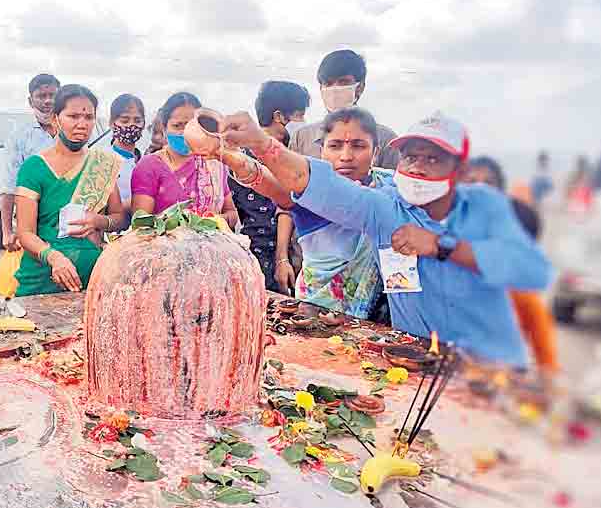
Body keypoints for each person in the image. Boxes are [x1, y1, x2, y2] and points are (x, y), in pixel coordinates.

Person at [222, 110, 552, 366]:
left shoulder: (484, 204)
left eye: (433, 158)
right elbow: (310, 182)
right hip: (415, 359)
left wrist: (441, 245)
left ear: (460, 170)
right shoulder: (385, 207)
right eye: (411, 157)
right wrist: (259, 143)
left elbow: (531, 271)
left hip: (485, 365)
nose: (418, 168)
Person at [279, 50, 399, 292]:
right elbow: (286, 201)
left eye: (343, 82)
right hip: (309, 255)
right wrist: (282, 257)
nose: (345, 155)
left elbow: (395, 204)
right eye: (328, 84)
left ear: (360, 87)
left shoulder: (386, 139)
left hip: (368, 271)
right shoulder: (302, 137)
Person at [14, 84, 125, 296]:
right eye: (73, 116)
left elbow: (119, 217)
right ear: (56, 119)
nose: (82, 124)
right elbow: (25, 233)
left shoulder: (103, 164)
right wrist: (54, 257)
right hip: (41, 281)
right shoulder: (34, 167)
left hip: (92, 280)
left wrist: (98, 221)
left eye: (89, 117)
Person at [463, 156, 558, 373]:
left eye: (488, 183)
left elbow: (547, 364)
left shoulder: (523, 298)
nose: (479, 188)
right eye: (471, 180)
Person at [228, 81, 307, 292]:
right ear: (280, 117)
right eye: (300, 115)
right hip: (261, 256)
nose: (303, 122)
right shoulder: (245, 160)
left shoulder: (238, 156)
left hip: (282, 256)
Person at [131, 92, 238, 227]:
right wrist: (181, 224)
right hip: (164, 246)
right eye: (177, 125)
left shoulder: (213, 163)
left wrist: (214, 221)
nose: (185, 131)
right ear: (164, 128)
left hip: (215, 244)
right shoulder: (149, 166)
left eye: (190, 125)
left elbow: (232, 214)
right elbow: (141, 225)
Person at [0, 74, 61, 252]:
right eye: (42, 96)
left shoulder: (71, 132)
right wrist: (7, 231)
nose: (48, 101)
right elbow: (9, 187)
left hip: (66, 224)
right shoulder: (20, 137)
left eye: (53, 95)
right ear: (30, 100)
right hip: (31, 224)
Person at [109, 94, 145, 208]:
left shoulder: (146, 160)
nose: (131, 125)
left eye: (137, 120)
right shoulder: (104, 160)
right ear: (111, 123)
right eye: (125, 120)